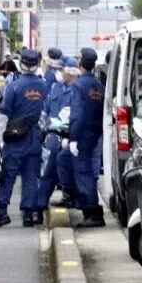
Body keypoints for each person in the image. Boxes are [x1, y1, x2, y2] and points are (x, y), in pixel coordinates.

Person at [0, 48, 47, 228]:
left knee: (8, 174)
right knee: (31, 175)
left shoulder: (14, 86)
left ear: (21, 64)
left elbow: (3, 115)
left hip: (15, 137)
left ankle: (2, 212)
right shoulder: (44, 85)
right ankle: (28, 214)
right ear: (37, 64)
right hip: (35, 137)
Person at [35, 57, 80, 223]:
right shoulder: (55, 88)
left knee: (70, 172)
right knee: (47, 173)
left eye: (61, 70)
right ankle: (39, 207)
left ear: (70, 72)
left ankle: (72, 198)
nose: (58, 73)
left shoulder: (78, 90)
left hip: (70, 138)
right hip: (53, 136)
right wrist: (42, 127)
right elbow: (46, 109)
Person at [68, 47, 106, 228]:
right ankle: (92, 210)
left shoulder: (78, 85)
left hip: (82, 134)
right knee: (90, 171)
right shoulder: (99, 86)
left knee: (83, 173)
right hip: (97, 133)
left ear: (80, 63)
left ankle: (92, 212)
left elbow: (76, 114)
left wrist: (73, 137)